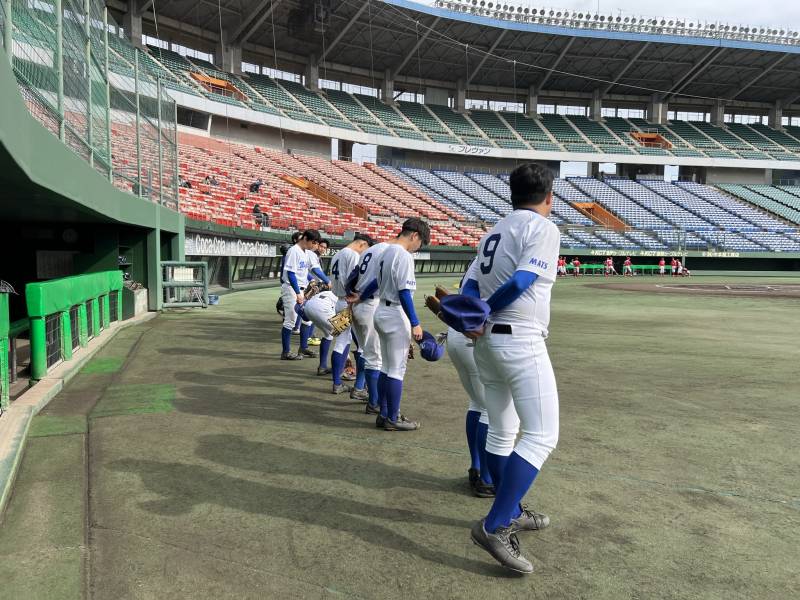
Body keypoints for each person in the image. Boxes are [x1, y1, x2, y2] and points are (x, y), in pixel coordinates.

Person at [461, 162, 557, 574]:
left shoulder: (494, 230)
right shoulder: (543, 228)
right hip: (519, 337)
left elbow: (467, 286)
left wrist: (475, 317)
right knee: (540, 435)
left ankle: (510, 508)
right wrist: (487, 310)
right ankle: (496, 524)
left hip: (485, 342)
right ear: (548, 197)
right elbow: (521, 282)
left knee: (502, 431)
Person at [357, 218, 430, 431]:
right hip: (395, 313)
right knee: (396, 369)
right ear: (414, 235)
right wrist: (415, 323)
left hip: (380, 311)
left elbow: (375, 283)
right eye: (420, 242)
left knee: (386, 367)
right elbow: (404, 292)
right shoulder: (404, 255)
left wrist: (361, 296)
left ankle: (384, 413)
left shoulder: (386, 250)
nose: (418, 247)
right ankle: (393, 417)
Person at [347, 238, 391, 418]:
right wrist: (362, 296)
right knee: (376, 357)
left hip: (359, 306)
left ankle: (363, 389)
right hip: (370, 304)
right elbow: (379, 279)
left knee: (366, 352)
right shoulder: (390, 250)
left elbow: (352, 277)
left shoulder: (366, 251)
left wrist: (352, 295)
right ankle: (374, 402)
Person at [327, 234, 374, 396]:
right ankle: (360, 386)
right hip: (350, 302)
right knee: (362, 345)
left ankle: (337, 383)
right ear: (363, 244)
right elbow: (355, 280)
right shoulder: (353, 255)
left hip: (338, 301)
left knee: (341, 342)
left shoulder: (337, 254)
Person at [279, 229, 322, 360]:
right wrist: (298, 293)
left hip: (302, 288)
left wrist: (311, 280)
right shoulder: (294, 250)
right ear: (306, 239)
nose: (313, 246)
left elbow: (303, 271)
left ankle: (303, 347)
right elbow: (291, 274)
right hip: (292, 289)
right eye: (313, 243)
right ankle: (285, 352)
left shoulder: (304, 252)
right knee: (290, 321)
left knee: (307, 319)